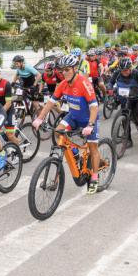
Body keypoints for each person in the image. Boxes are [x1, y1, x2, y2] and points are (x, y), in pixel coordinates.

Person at [33, 54, 103, 195]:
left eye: (67, 70)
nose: (64, 73)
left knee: (92, 148)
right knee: (58, 131)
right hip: (73, 117)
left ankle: (95, 178)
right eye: (62, 70)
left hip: (89, 118)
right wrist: (40, 118)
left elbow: (94, 107)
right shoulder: (63, 84)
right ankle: (75, 153)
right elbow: (51, 103)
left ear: (75, 68)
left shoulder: (84, 83)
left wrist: (90, 125)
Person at [107, 57, 138, 144]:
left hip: (137, 98)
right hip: (124, 98)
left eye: (126, 70)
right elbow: (110, 82)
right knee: (125, 118)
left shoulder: (137, 73)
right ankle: (128, 140)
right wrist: (110, 89)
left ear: (130, 68)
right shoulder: (117, 73)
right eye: (122, 70)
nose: (124, 72)